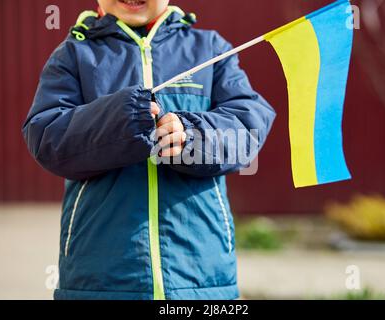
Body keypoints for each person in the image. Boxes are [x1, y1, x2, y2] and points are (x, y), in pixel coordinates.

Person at [22, 0, 276, 300]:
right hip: (101, 277)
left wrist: (192, 136)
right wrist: (123, 119)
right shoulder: (74, 55)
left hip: (201, 277)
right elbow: (48, 138)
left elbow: (247, 128)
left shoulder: (211, 49)